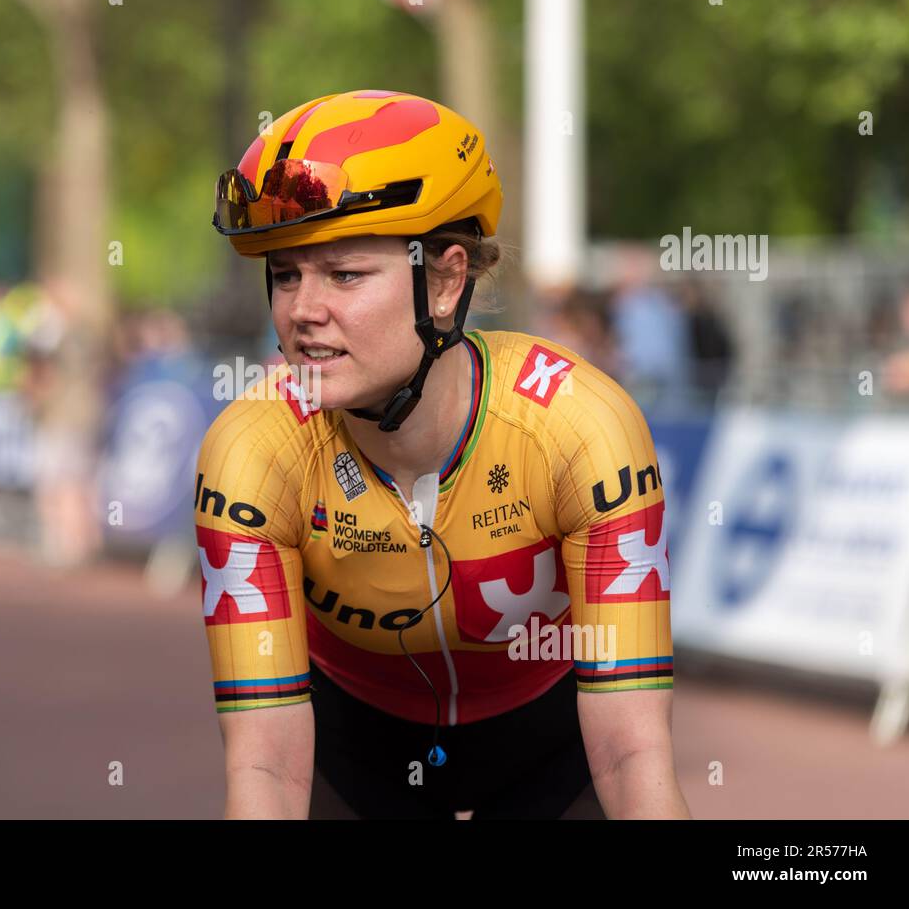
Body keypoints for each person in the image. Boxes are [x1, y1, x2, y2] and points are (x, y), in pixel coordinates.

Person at [199, 89, 688, 819]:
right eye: (286, 274)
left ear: (448, 279)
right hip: (356, 748)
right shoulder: (253, 450)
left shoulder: (581, 427)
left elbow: (632, 757)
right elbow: (264, 771)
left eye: (344, 274)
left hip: (551, 746)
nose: (303, 310)